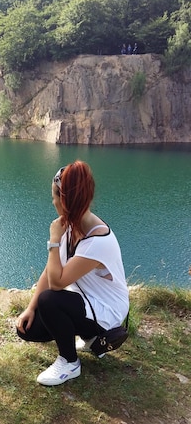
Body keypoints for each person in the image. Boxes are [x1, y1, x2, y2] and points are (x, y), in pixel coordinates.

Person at [16, 161, 129, 386]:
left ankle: (69, 362)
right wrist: (30, 308)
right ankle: (90, 338)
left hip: (108, 311)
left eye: (54, 197)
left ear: (65, 200)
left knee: (50, 300)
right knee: (28, 330)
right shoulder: (72, 225)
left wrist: (54, 240)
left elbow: (56, 283)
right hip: (90, 303)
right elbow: (51, 270)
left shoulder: (98, 241)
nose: (53, 202)